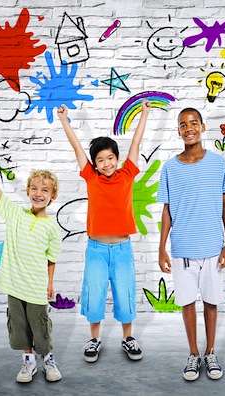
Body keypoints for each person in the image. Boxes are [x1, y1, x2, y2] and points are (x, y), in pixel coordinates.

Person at [56, 101, 151, 363]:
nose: (107, 163)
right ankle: (94, 339)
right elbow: (77, 147)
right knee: (94, 293)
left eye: (111, 158)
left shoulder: (127, 173)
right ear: (94, 164)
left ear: (117, 159)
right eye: (101, 160)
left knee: (125, 293)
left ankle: (128, 338)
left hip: (122, 250)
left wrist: (144, 114)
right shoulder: (91, 177)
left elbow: (136, 143)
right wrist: (65, 120)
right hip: (96, 249)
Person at [0, 152, 62, 383]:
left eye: (44, 190)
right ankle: (28, 363)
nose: (38, 194)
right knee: (19, 326)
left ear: (53, 196)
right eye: (34, 189)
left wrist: (50, 283)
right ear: (28, 191)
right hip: (14, 285)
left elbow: (52, 259)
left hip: (35, 288)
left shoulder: (51, 228)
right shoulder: (16, 214)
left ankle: (47, 359)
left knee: (40, 327)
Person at [157, 107, 225, 381]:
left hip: (213, 247)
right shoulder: (170, 168)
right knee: (187, 302)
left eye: (193, 123)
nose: (188, 128)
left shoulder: (218, 164)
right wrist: (161, 247)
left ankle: (210, 352)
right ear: (178, 130)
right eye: (182, 124)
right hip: (182, 249)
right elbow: (166, 210)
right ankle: (193, 354)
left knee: (211, 302)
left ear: (202, 127)